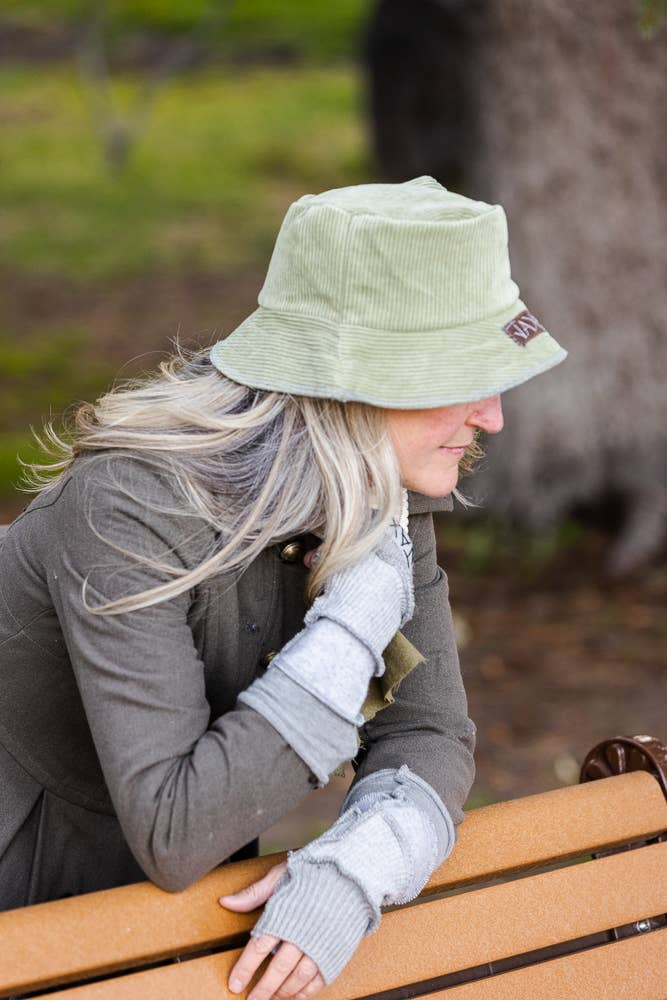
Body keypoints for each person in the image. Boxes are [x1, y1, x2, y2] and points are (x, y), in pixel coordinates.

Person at [0, 176, 566, 998]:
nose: (493, 415)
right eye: (459, 374)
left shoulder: (377, 488)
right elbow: (177, 829)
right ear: (346, 382)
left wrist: (358, 866)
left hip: (173, 931)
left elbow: (430, 733)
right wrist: (354, 623)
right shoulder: (131, 502)